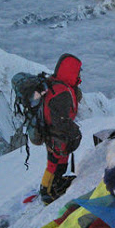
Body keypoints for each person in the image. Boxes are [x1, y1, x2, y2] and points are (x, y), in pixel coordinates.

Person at [39, 53, 83, 205]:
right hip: (55, 134)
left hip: (52, 133)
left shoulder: (56, 84)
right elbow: (61, 120)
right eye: (77, 71)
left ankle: (55, 184)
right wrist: (74, 132)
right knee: (54, 163)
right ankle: (47, 192)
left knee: (59, 160)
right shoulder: (62, 92)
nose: (79, 74)